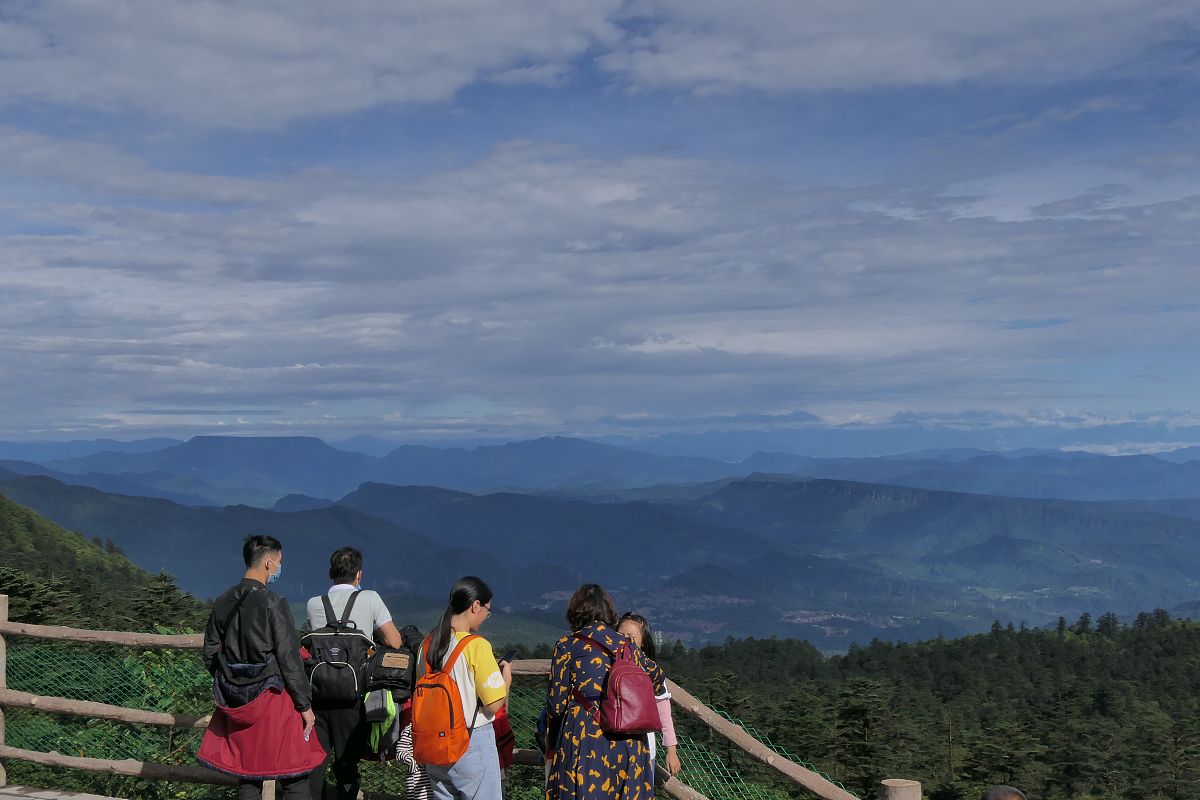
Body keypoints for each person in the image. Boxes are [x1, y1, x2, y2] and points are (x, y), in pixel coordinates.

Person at [199, 534, 323, 800]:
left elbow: (210, 652)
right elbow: (289, 658)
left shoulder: (223, 600)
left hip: (236, 701)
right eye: (279, 561)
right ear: (268, 562)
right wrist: (305, 705)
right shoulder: (273, 602)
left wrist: (232, 679)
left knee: (249, 776)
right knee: (295, 775)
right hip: (274, 697)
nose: (279, 567)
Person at [545, 584, 665, 800]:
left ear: (576, 612)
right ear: (608, 612)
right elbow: (657, 679)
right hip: (629, 739)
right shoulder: (626, 646)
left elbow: (556, 705)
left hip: (585, 736)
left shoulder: (567, 646)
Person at [305, 546, 404, 800]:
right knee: (347, 762)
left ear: (331, 573)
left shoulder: (314, 604)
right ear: (358, 575)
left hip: (318, 695)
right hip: (354, 695)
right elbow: (394, 641)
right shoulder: (370, 598)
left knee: (316, 761)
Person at [418, 576, 511, 800]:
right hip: (471, 741)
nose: (486, 616)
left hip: (434, 745)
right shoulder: (476, 646)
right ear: (475, 605)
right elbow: (494, 703)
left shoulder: (426, 645)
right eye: (487, 610)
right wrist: (505, 680)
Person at [616, 613, 681, 782]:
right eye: (620, 635)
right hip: (610, 747)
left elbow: (664, 713)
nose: (625, 641)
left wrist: (671, 751)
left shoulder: (651, 672)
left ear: (643, 641)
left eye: (631, 637)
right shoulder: (605, 664)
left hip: (642, 749)